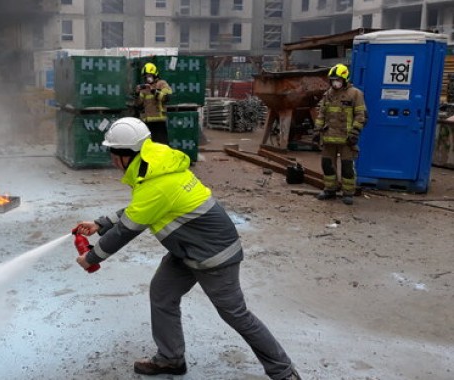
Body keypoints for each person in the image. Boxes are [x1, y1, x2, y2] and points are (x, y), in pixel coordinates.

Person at [74, 117, 300, 380]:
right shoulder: (156, 165)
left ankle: (284, 372)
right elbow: (142, 209)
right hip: (188, 250)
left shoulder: (156, 182)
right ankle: (170, 359)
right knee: (162, 293)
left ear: (128, 154)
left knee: (236, 315)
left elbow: (127, 230)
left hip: (214, 256)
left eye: (114, 153)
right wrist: (100, 224)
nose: (112, 160)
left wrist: (91, 257)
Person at [313, 63, 367, 205]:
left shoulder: (355, 94)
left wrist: (355, 132)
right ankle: (330, 189)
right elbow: (321, 114)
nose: (335, 82)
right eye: (333, 80)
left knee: (347, 166)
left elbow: (361, 115)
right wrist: (317, 131)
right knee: (327, 164)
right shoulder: (328, 94)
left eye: (338, 80)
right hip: (329, 137)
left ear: (345, 79)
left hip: (346, 138)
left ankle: (348, 192)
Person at [134, 62, 173, 144]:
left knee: (161, 145)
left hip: (159, 122)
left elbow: (167, 97)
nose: (147, 78)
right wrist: (137, 94)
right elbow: (138, 104)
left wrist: (154, 91)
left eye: (149, 75)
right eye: (145, 76)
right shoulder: (144, 89)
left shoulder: (161, 84)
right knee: (148, 146)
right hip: (147, 123)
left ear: (154, 74)